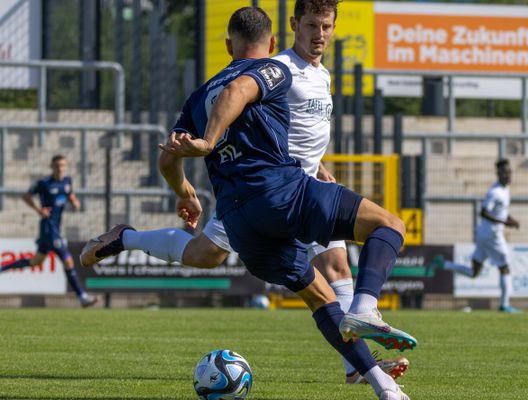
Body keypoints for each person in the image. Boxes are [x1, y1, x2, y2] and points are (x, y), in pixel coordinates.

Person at [81, 7, 412, 399]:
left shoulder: (211, 90)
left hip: (250, 204)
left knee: (322, 283)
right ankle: (365, 316)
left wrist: (186, 192)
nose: (319, 34)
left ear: (227, 46)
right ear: (280, 37)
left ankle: (377, 381)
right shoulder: (278, 68)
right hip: (282, 191)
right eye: (311, 25)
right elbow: (237, 93)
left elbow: (170, 155)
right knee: (387, 226)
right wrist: (207, 142)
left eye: (325, 27)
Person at [1, 155, 97, 308]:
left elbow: (69, 193)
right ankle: (82, 297)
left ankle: (2, 268)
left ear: (66, 166)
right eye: (57, 165)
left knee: (36, 261)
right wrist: (39, 209)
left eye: (63, 165)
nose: (60, 168)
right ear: (52, 167)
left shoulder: (67, 182)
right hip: (48, 228)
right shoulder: (44, 183)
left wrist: (74, 201)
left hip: (56, 228)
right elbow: (26, 196)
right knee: (68, 260)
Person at [429, 159, 521, 313]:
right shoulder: (495, 192)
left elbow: (500, 211)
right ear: (498, 173)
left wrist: (509, 219)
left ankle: (443, 264)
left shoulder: (505, 190)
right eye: (505, 172)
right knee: (505, 267)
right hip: (492, 235)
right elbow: (484, 212)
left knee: (474, 272)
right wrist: (505, 222)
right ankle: (504, 305)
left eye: (510, 171)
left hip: (484, 234)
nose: (508, 174)